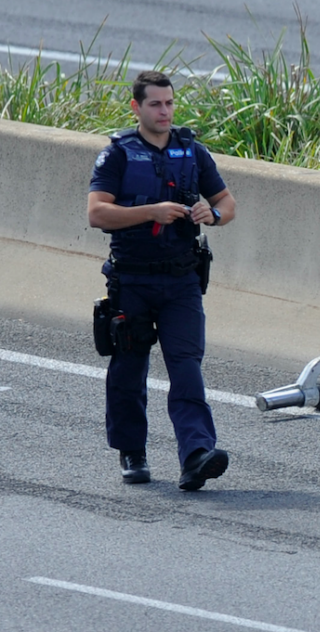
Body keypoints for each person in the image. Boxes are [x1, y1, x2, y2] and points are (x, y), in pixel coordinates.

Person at [87, 70, 237, 490]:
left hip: (182, 281)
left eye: (169, 103)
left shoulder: (192, 151)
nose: (165, 111)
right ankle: (132, 451)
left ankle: (196, 454)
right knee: (128, 370)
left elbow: (227, 202)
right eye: (155, 104)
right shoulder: (117, 154)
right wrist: (150, 212)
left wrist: (215, 214)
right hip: (131, 281)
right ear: (137, 107)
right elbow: (97, 213)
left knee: (186, 367)